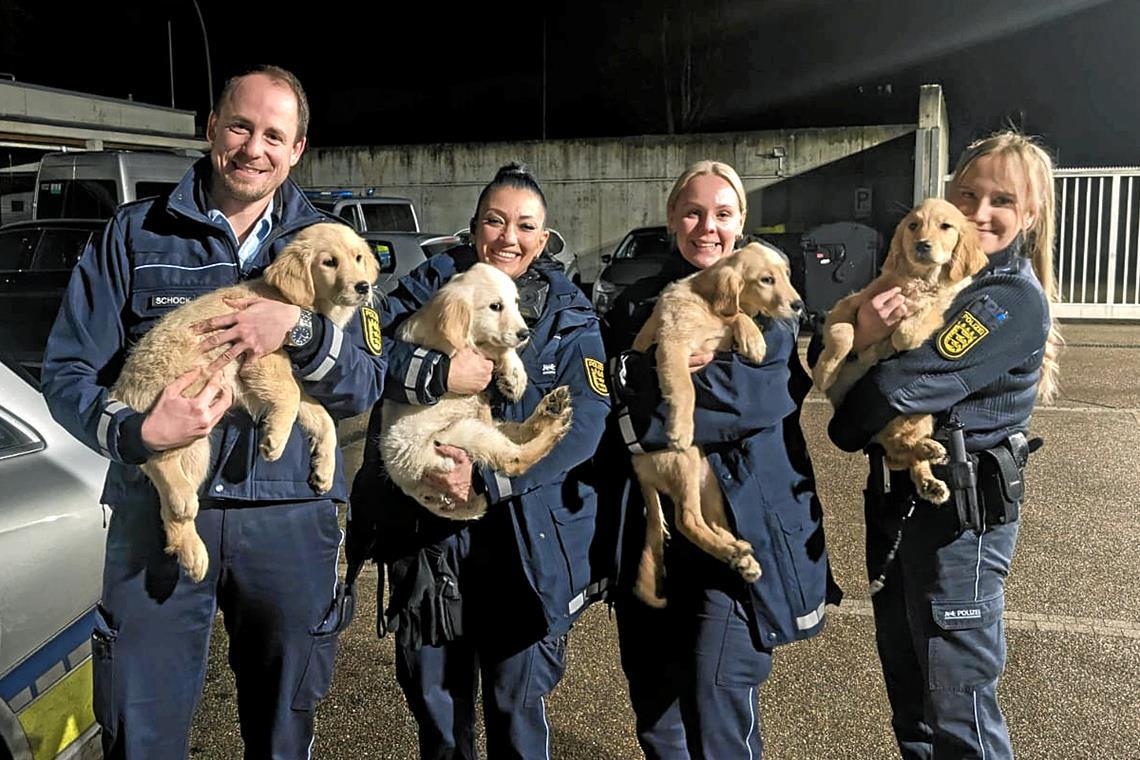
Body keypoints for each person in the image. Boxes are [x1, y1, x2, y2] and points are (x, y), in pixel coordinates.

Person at [41, 65, 387, 759]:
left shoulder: (332, 245)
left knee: (283, 730)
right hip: (156, 514)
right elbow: (67, 372)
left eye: (274, 135)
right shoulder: (133, 235)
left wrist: (296, 330)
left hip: (287, 518)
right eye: (240, 126)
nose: (254, 147)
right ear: (211, 129)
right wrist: (136, 433)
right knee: (141, 731)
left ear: (297, 149)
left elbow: (365, 384)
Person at [346, 162, 612, 759]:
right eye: (495, 221)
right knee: (438, 715)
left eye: (525, 226)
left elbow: (586, 424)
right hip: (429, 541)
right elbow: (362, 360)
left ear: (544, 240)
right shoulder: (423, 291)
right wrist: (438, 372)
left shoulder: (570, 315)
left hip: (523, 542)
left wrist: (490, 480)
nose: (509, 237)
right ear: (474, 229)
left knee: (518, 714)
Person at [827, 130, 1061, 759]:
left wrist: (858, 394)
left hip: (960, 524)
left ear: (1030, 215)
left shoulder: (1006, 299)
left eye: (1002, 201)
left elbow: (896, 390)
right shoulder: (934, 286)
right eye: (969, 195)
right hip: (901, 507)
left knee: (959, 709)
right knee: (912, 702)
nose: (981, 212)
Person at [602, 159, 839, 759]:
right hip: (652, 531)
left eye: (723, 214)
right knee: (656, 711)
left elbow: (744, 401)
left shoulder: (767, 302)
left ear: (741, 224)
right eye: (693, 211)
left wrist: (648, 392)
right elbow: (603, 394)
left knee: (717, 699)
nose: (707, 227)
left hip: (738, 527)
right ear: (671, 219)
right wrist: (641, 385)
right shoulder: (637, 303)